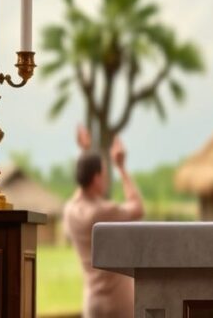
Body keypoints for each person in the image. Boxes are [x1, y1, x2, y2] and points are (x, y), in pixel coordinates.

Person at [63, 126, 144, 318]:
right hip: (119, 305)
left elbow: (81, 184)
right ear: (96, 178)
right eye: (105, 174)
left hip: (93, 305)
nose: (107, 179)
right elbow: (137, 207)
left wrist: (85, 152)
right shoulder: (103, 211)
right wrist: (121, 167)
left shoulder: (70, 210)